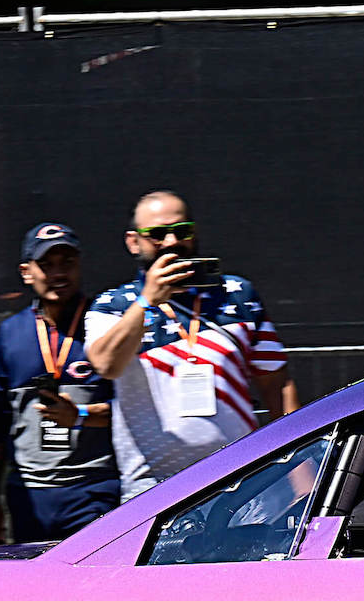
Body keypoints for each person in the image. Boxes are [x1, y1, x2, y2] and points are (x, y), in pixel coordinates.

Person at [86, 191, 297, 501]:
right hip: (152, 490)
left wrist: (300, 476)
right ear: (134, 242)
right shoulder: (112, 305)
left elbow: (276, 385)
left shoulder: (237, 294)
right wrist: (147, 302)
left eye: (181, 230)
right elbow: (106, 365)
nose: (171, 241)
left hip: (242, 481)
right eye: (157, 234)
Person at [0, 224, 120, 542]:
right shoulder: (11, 332)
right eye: (46, 264)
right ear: (26, 272)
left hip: (94, 489)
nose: (59, 273)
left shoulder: (107, 323)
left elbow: (134, 411)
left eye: (67, 262)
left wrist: (82, 415)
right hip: (29, 495)